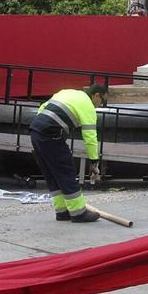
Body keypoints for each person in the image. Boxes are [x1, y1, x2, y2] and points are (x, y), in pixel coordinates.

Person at [29, 84, 107, 222]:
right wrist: (94, 161)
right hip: (51, 135)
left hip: (36, 130)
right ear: (96, 95)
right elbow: (90, 137)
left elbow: (43, 108)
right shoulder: (87, 106)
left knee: (52, 174)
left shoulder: (68, 92)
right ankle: (78, 213)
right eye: (102, 101)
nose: (101, 105)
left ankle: (62, 211)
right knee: (66, 171)